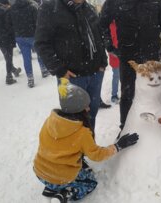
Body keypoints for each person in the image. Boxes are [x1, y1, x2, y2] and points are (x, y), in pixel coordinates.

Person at [33, 78, 139, 203]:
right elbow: (96, 155)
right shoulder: (82, 133)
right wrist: (118, 146)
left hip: (40, 171)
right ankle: (65, 194)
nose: (88, 108)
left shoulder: (51, 121)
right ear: (79, 109)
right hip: (61, 176)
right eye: (86, 106)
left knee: (75, 167)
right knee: (90, 183)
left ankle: (50, 188)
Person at [35, 0, 108, 130]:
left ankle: (89, 146)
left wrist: (103, 61)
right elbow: (41, 44)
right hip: (72, 78)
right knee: (72, 120)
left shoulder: (88, 8)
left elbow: (99, 36)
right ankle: (75, 150)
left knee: (91, 115)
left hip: (96, 74)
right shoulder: (50, 8)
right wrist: (59, 69)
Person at [99, 0, 161, 130]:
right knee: (127, 94)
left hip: (152, 56)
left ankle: (153, 128)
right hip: (127, 56)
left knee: (153, 91)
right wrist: (109, 46)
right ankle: (125, 128)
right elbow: (102, 24)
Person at [6, 0, 49, 88]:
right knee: (39, 52)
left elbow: (8, 24)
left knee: (26, 58)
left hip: (20, 37)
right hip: (32, 35)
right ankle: (43, 70)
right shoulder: (31, 7)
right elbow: (38, 22)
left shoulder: (11, 9)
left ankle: (30, 78)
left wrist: (16, 32)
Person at [108, 21, 120, 104]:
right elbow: (107, 43)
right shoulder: (109, 26)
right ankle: (114, 95)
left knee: (127, 77)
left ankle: (127, 93)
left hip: (125, 56)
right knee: (116, 76)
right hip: (115, 58)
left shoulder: (123, 23)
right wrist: (113, 53)